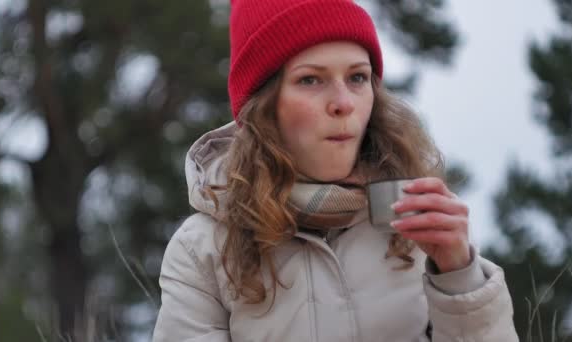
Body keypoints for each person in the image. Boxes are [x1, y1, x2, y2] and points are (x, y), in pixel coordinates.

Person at [152, 0, 520, 341]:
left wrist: (460, 276)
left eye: (358, 78)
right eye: (310, 79)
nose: (344, 103)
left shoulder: (418, 217)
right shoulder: (202, 248)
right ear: (261, 108)